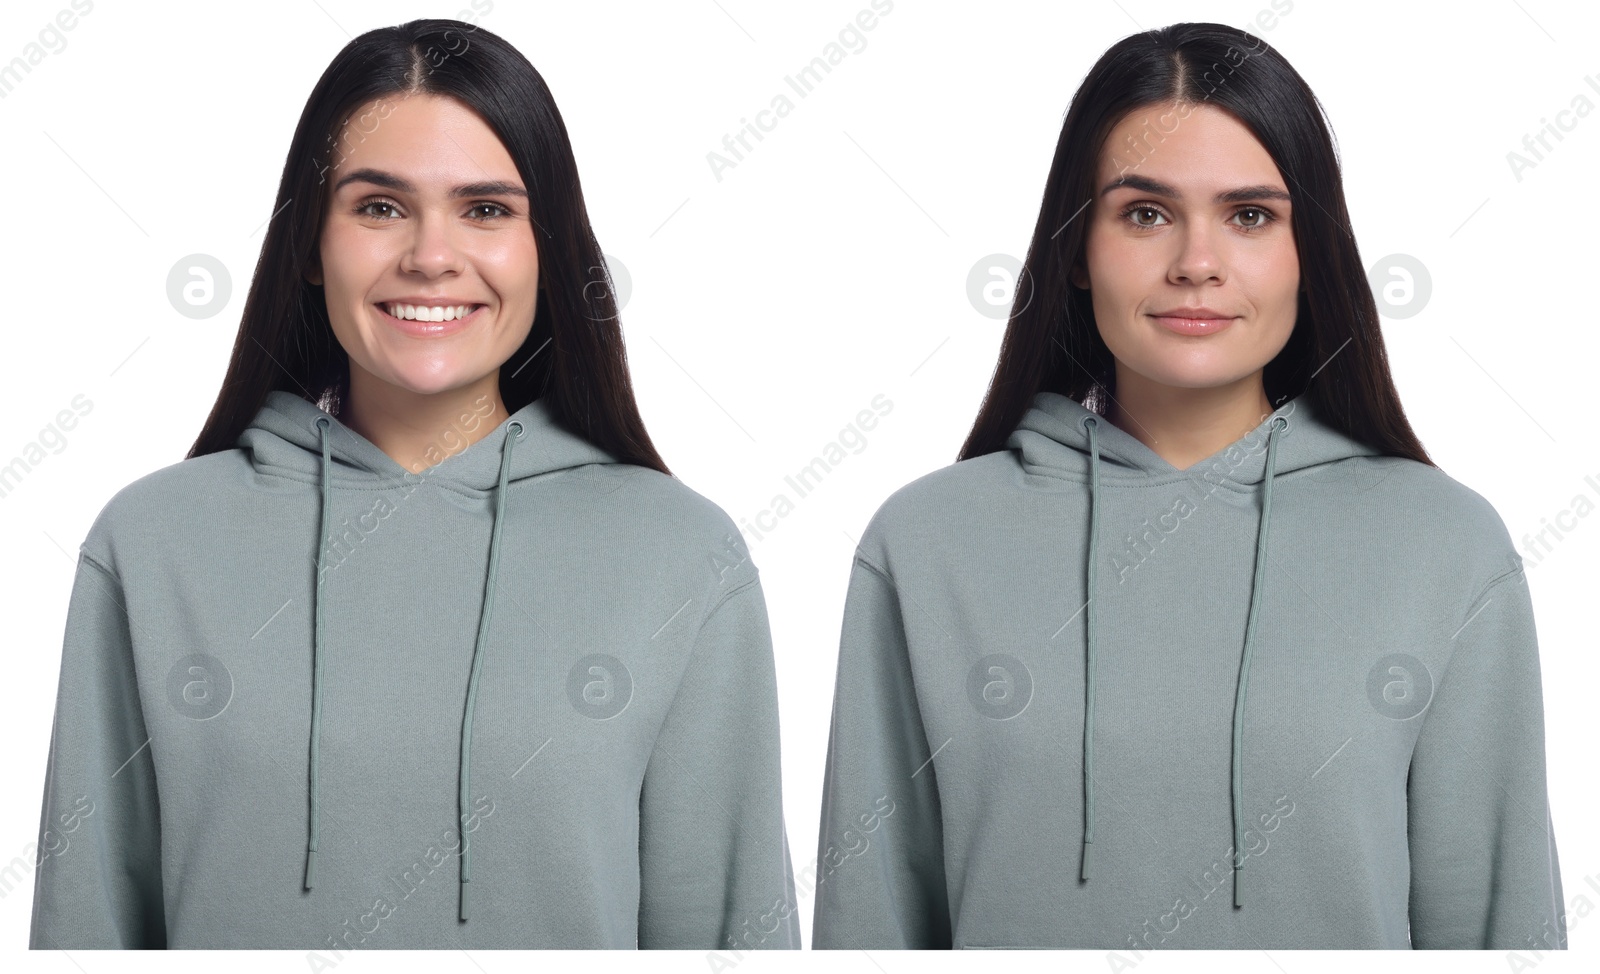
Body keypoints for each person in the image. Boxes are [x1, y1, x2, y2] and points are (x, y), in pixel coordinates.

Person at [28, 18, 799, 950]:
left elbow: (726, 941)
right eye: (380, 207)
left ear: (547, 249)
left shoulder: (681, 557)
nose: (432, 256)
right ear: (312, 246)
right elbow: (87, 933)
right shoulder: (151, 545)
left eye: (486, 209)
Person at [810, 22, 1565, 951]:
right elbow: (871, 930)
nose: (1195, 263)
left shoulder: (1446, 549)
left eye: (1249, 215)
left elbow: (1500, 934)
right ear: (1078, 251)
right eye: (1144, 213)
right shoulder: (925, 546)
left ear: (1307, 253)